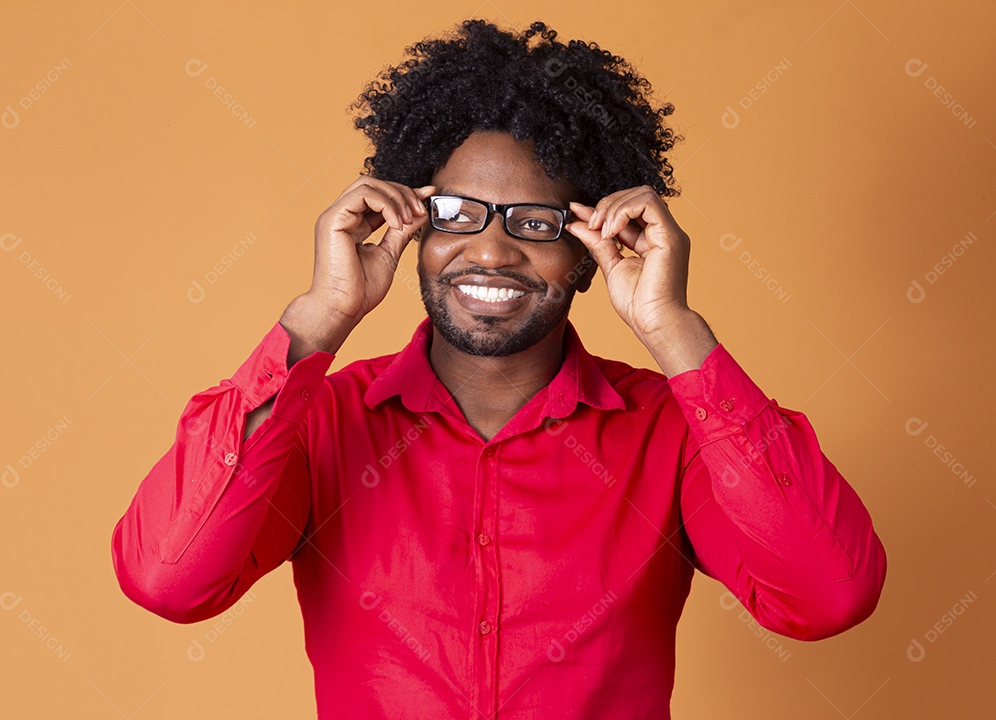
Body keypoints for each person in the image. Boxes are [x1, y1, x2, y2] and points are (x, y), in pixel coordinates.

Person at [111, 18, 886, 719]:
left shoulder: (673, 431)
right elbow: (168, 579)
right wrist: (320, 318)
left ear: (591, 251)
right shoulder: (318, 421)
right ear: (412, 224)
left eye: (535, 222)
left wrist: (674, 330)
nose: (488, 250)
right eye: (455, 215)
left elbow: (828, 594)